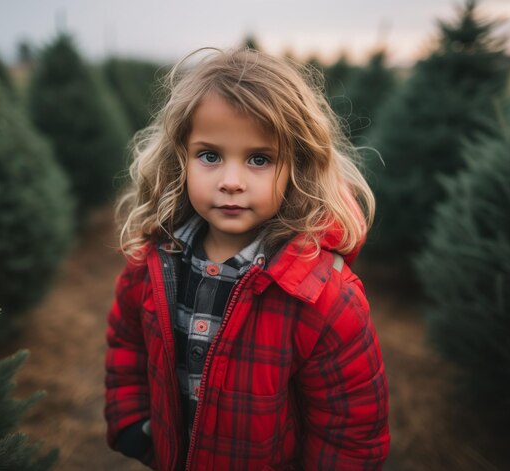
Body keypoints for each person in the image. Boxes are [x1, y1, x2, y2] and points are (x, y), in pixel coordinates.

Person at [105, 47, 390, 470]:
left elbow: (350, 430)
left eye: (259, 159)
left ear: (299, 166)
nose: (231, 182)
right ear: (180, 158)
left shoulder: (326, 298)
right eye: (210, 156)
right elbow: (126, 342)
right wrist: (131, 419)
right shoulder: (153, 262)